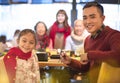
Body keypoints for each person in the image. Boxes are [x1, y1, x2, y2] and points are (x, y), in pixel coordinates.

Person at [60, 1, 120, 83]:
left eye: (92, 17)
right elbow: (87, 67)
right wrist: (71, 61)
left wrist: (90, 55)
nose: (88, 22)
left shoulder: (114, 35)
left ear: (102, 18)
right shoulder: (88, 39)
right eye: (85, 18)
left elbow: (118, 56)